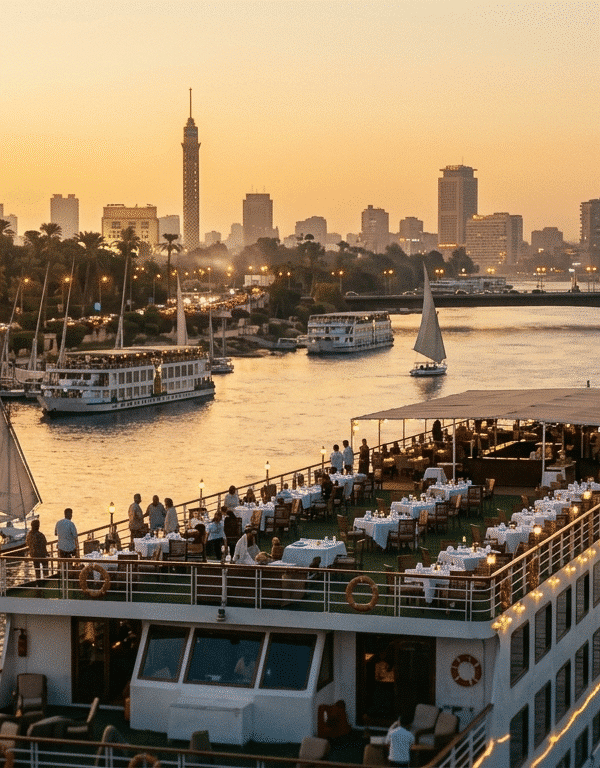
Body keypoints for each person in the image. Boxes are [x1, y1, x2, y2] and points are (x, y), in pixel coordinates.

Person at [26, 518, 48, 583]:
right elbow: (44, 544)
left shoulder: (29, 535)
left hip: (34, 556)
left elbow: (28, 544)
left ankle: (38, 583)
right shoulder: (40, 535)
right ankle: (46, 581)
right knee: (45, 570)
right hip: (42, 555)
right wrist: (46, 553)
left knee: (37, 571)